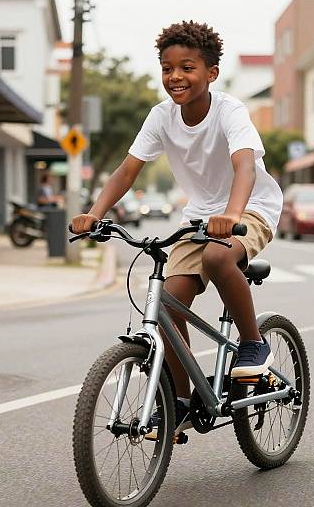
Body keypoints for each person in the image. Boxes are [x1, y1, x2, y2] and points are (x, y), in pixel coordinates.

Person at [71, 21, 283, 428]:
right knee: (168, 302)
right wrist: (95, 213)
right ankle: (182, 400)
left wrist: (233, 215)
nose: (175, 77)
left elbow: (244, 166)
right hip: (199, 218)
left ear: (211, 73)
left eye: (187, 67)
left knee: (221, 260)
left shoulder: (229, 111)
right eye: (167, 68)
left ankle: (254, 344)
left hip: (250, 208)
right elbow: (127, 171)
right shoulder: (161, 117)